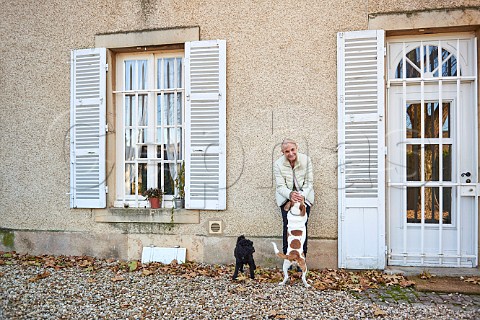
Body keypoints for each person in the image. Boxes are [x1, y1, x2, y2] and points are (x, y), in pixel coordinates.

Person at [274, 139, 314, 255]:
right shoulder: (278, 164)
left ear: (297, 148)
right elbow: (280, 186)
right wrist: (290, 194)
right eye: (287, 151)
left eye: (293, 150)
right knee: (287, 227)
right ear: (283, 152)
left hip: (304, 197)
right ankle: (288, 257)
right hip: (286, 198)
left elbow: (309, 183)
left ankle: (302, 257)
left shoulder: (306, 160)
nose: (290, 153)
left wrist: (301, 195)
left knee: (302, 228)